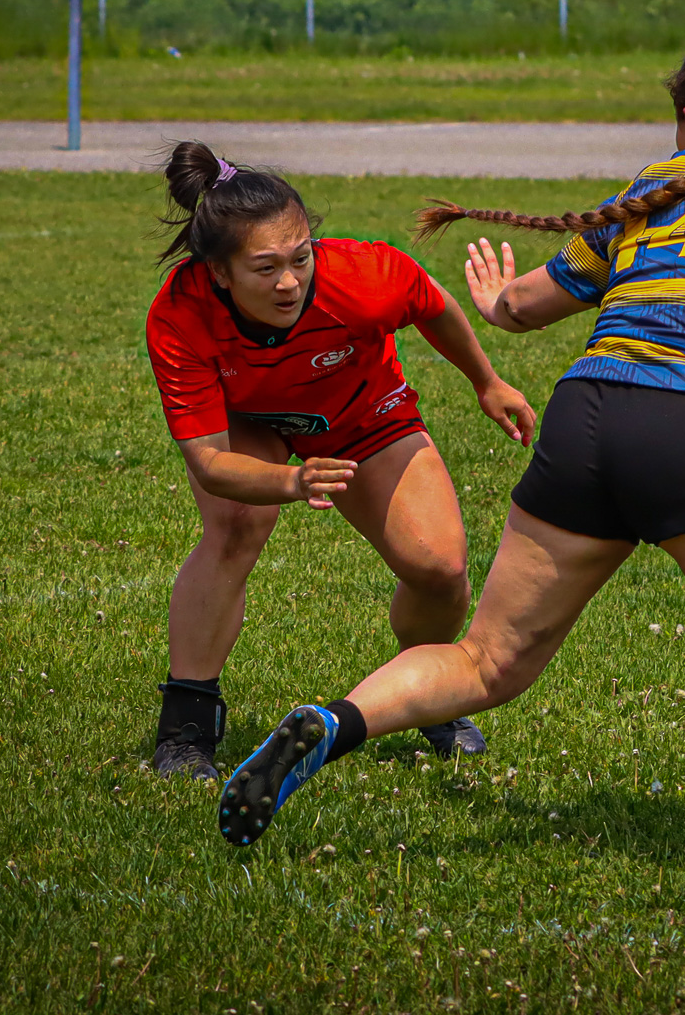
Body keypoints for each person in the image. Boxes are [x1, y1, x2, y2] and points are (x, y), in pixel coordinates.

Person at [216, 39, 685, 894]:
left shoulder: (649, 190)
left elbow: (526, 307)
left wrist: (493, 304)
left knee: (488, 661)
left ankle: (333, 723)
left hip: (585, 415)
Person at [143, 142, 536, 780]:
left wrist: (486, 382)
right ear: (219, 272)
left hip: (359, 409)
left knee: (439, 567)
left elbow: (433, 304)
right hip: (249, 420)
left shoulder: (361, 277)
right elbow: (213, 462)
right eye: (265, 267)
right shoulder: (180, 314)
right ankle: (186, 727)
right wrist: (291, 479)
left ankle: (430, 689)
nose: (290, 281)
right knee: (235, 526)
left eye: (300, 258)